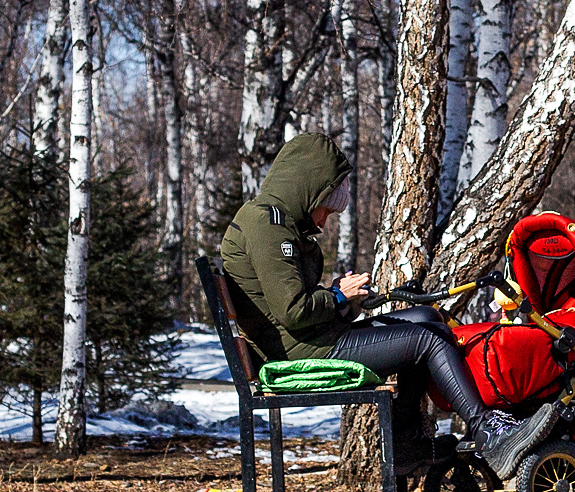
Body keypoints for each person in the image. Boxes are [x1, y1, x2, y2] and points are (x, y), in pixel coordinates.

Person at [219, 133, 544, 454]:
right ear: (306, 188)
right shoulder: (267, 226)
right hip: (304, 355)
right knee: (427, 338)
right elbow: (292, 310)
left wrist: (347, 302)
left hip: (313, 340)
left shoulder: (275, 224)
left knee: (427, 317)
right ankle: (488, 431)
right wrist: (337, 296)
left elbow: (290, 305)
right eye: (326, 209)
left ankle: (406, 441)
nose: (324, 220)